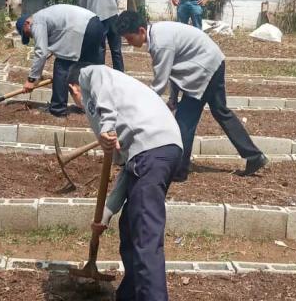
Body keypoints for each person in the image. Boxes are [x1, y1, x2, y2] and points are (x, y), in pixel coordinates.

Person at [67, 62, 183, 301]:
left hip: (154, 150)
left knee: (145, 237)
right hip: (158, 152)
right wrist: (106, 214)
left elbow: (99, 74)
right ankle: (130, 295)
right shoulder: (125, 107)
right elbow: (131, 171)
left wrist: (107, 126)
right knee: (131, 227)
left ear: (73, 88)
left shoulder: (89, 76)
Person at [114, 11, 268, 181]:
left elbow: (159, 83)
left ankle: (179, 171)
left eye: (129, 38)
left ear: (141, 31)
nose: (128, 42)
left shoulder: (160, 43)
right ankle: (254, 156)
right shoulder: (158, 34)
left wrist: (138, 110)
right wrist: (173, 99)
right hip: (213, 61)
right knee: (221, 112)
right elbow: (173, 70)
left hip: (203, 67)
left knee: (184, 120)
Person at [15, 4, 105, 117]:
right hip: (96, 24)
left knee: (62, 66)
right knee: (89, 69)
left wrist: (31, 79)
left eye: (28, 34)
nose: (31, 37)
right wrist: (39, 75)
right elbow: (51, 47)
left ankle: (58, 109)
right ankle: (94, 106)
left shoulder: (36, 21)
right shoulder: (47, 15)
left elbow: (41, 52)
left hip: (81, 28)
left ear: (27, 23)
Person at [77, 0, 131, 72]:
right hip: (113, 16)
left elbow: (82, 7)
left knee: (100, 50)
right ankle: (120, 75)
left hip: (97, 20)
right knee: (116, 50)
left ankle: (100, 76)